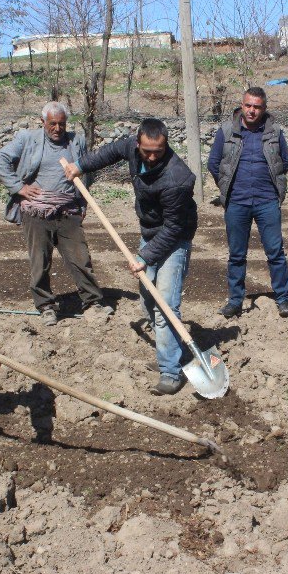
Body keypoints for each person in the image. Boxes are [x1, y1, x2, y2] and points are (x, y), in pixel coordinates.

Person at [61, 119, 197, 395]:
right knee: (147, 301)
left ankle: (170, 372)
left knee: (165, 306)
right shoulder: (133, 149)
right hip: (150, 231)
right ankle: (169, 351)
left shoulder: (178, 178)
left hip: (175, 238)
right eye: (147, 150)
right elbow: (109, 152)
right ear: (138, 144)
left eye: (158, 151)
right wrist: (81, 166)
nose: (151, 156)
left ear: (166, 145)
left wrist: (145, 257)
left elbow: (172, 230)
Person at [0, 101, 110, 326]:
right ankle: (45, 305)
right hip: (36, 210)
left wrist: (82, 203)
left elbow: (87, 171)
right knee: (40, 260)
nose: (57, 129)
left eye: (62, 124)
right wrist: (19, 187)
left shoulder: (77, 141)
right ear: (43, 122)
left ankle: (92, 303)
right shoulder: (28, 139)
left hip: (68, 210)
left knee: (80, 258)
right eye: (52, 124)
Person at [207, 86, 288, 318]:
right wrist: (226, 186)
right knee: (237, 254)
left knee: (275, 252)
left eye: (257, 107)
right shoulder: (226, 132)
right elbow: (213, 163)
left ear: (264, 108)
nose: (252, 111)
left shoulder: (275, 133)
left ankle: (283, 298)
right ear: (242, 105)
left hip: (267, 202)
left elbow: (283, 164)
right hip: (237, 202)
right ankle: (235, 300)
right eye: (248, 106)